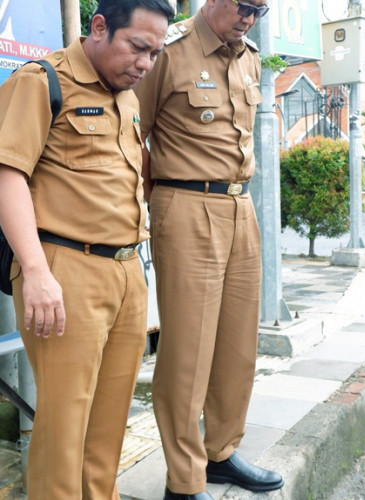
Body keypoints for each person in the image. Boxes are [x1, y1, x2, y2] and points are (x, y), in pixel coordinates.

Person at [0, 1, 173, 498]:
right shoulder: (42, 81)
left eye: (155, 54)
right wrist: (34, 270)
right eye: (137, 47)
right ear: (99, 27)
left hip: (125, 272)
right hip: (63, 270)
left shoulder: (128, 97)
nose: (145, 63)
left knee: (109, 420)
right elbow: (8, 172)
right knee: (64, 425)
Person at [133, 1, 283, 498]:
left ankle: (220, 452)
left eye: (259, 10)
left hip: (241, 207)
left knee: (238, 344)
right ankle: (184, 478)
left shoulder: (249, 56)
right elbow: (132, 137)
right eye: (243, 6)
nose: (249, 17)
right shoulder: (170, 52)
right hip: (187, 204)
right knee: (188, 352)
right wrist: (158, 202)